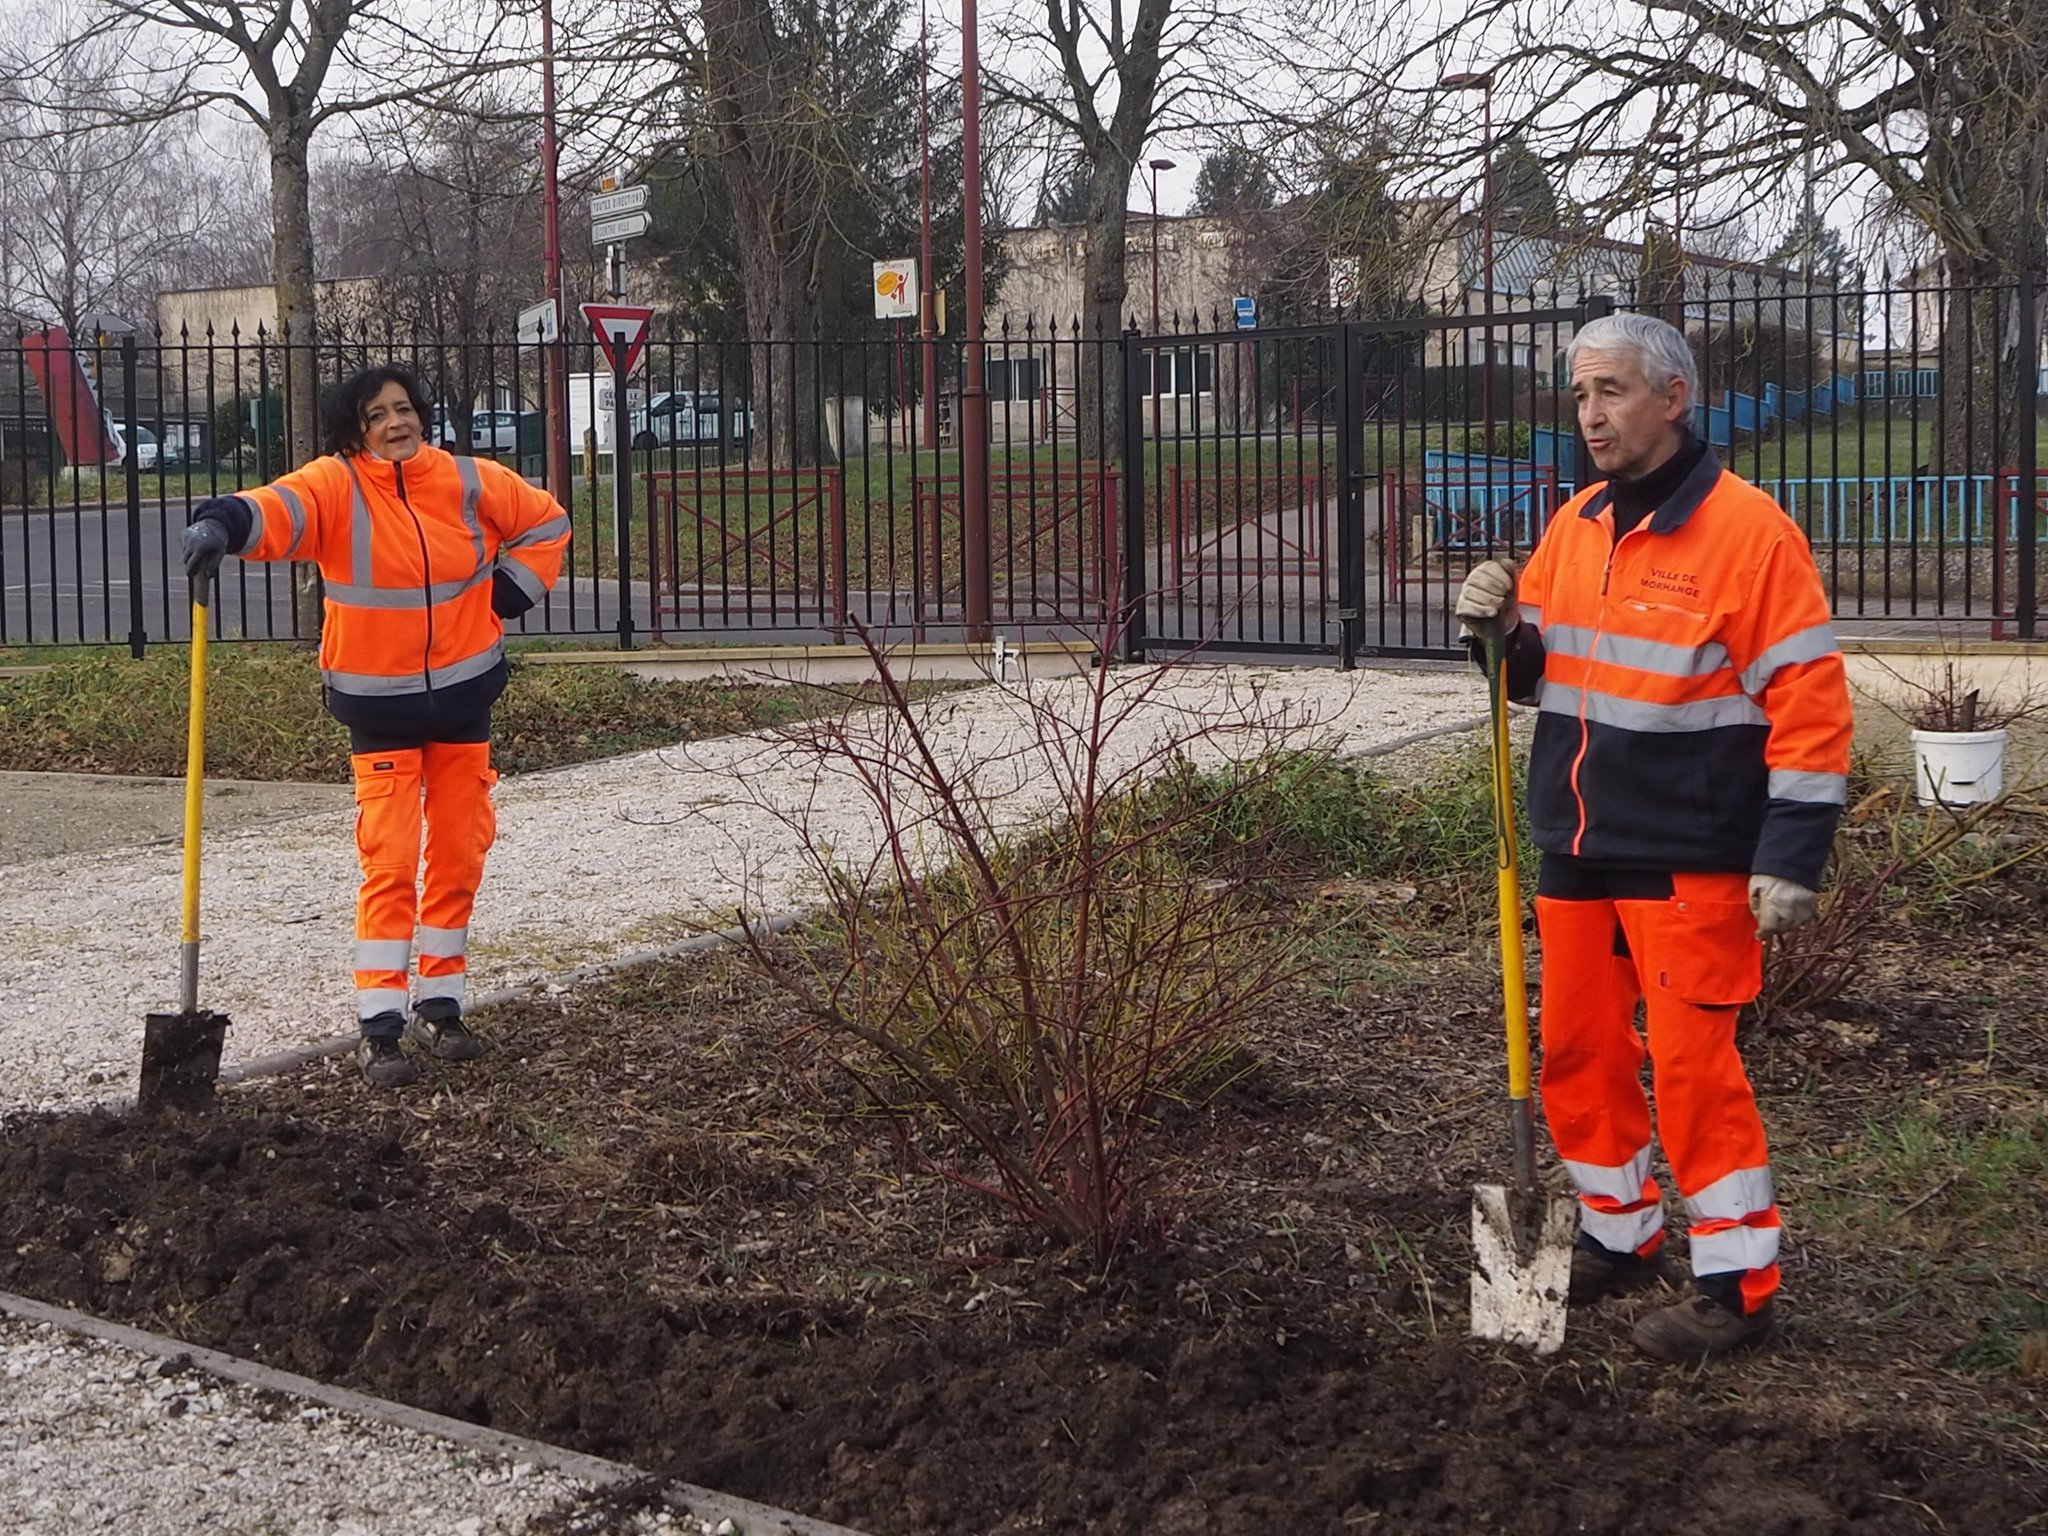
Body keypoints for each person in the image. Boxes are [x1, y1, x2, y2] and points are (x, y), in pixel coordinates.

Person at [1455, 312, 1853, 1362]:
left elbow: (1807, 699)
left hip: (1690, 850)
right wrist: (1494, 634)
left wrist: (1789, 850)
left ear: (1671, 398)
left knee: (1690, 1072)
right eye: (1579, 395)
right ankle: (1618, 1234)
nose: (1588, 415)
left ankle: (1735, 1283)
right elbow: (1532, 675)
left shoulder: (1748, 533)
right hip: (1576, 841)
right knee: (1578, 1057)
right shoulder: (1575, 522)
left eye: (1610, 392)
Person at [181, 367, 571, 1087]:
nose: (396, 422)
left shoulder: (468, 481)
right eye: (376, 414)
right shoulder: (336, 486)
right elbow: (274, 510)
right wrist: (219, 522)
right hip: (380, 712)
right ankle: (380, 1025)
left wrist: (513, 590)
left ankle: (441, 1005)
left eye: (404, 409)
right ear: (354, 431)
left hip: (463, 702)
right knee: (390, 864)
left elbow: (548, 521)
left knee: (456, 856)